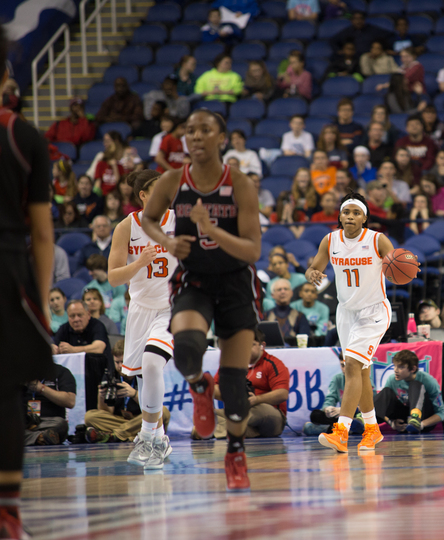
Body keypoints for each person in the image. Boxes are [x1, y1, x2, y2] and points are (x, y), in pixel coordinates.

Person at [141, 109, 264, 491]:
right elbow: (148, 218)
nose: (195, 137)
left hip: (234, 283)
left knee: (234, 390)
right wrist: (166, 241)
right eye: (190, 131)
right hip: (194, 279)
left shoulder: (240, 184)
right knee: (186, 349)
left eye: (204, 130)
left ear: (220, 138)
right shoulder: (173, 180)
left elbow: (252, 250)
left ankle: (236, 451)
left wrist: (211, 229)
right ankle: (198, 387)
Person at [0, 33, 55, 533]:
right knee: (8, 391)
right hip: (7, 271)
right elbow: (42, 233)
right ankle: (8, 509)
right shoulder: (23, 137)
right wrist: (40, 302)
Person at [305, 191, 399, 453]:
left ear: (365, 218)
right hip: (346, 313)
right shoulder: (330, 240)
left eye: (356, 213)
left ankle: (341, 431)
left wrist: (400, 268)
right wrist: (312, 272)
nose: (350, 216)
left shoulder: (377, 240)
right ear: (340, 215)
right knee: (362, 371)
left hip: (373, 311)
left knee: (352, 367)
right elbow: (314, 268)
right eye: (347, 212)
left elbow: (396, 263)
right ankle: (372, 430)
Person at [105, 169, 178, 467]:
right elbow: (112, 277)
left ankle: (148, 436)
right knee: (141, 375)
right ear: (144, 196)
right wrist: (139, 263)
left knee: (151, 363)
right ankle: (159, 439)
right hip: (140, 309)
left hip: (172, 307)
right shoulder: (126, 227)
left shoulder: (179, 220)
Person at [195, 329, 290, 439]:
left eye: (252, 344)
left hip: (270, 415)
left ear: (262, 345)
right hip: (241, 413)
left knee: (261, 410)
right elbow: (215, 388)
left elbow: (282, 394)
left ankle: (210, 430)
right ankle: (234, 431)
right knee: (205, 414)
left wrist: (257, 400)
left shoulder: (273, 364)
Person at [83, 339, 172, 444]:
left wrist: (134, 394)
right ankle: (130, 434)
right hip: (122, 421)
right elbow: (106, 412)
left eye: (123, 362)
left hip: (143, 419)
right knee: (90, 416)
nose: (120, 366)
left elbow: (154, 404)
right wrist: (102, 397)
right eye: (117, 362)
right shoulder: (110, 375)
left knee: (163, 411)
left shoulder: (144, 374)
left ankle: (116, 434)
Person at [52, 300, 114, 413]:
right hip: (71, 381)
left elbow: (99, 347)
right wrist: (53, 348)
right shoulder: (64, 329)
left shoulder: (97, 325)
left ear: (88, 314)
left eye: (80, 315)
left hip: (98, 379)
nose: (76, 319)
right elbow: (53, 346)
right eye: (72, 316)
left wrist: (73, 350)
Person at [375, 350, 444, 434]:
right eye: (395, 366)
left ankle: (415, 419)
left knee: (416, 385)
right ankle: (363, 419)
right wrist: (392, 422)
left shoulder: (428, 380)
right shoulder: (392, 379)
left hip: (423, 418)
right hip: (404, 419)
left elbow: (441, 413)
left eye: (400, 367)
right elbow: (384, 405)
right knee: (386, 391)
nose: (395, 370)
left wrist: (421, 424)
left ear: (413, 369)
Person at [303, 356, 368, 435]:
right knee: (315, 415)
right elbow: (330, 398)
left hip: (357, 414)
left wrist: (346, 410)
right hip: (341, 415)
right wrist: (328, 409)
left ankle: (332, 428)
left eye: (347, 365)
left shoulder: (365, 378)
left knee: (309, 428)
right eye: (342, 365)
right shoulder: (337, 378)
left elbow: (370, 406)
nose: (345, 369)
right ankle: (344, 428)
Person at [23, 365, 76, 446]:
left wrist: (41, 388)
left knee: (61, 424)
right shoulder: (18, 374)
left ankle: (27, 436)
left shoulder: (61, 372)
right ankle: (40, 437)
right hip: (24, 422)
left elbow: (70, 402)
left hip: (48, 423)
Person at [266, 278, 313, 345]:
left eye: (286, 289)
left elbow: (305, 342)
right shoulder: (265, 316)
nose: (283, 292)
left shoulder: (300, 316)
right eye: (279, 289)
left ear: (291, 293)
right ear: (272, 295)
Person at [93, 131, 127, 196]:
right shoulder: (101, 164)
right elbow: (98, 182)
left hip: (116, 195)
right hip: (103, 195)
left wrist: (114, 166)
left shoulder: (120, 166)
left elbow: (119, 183)